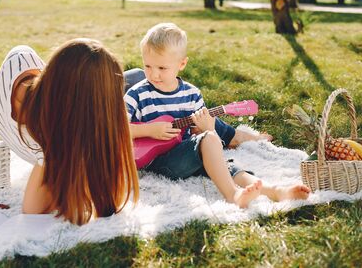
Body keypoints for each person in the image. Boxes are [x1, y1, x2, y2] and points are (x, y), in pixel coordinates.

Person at [125, 23, 310, 208]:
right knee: (211, 143)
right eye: (147, 66)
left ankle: (275, 191)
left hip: (187, 152)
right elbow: (113, 129)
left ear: (182, 64)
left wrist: (207, 130)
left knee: (224, 162)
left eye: (162, 68)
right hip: (158, 161)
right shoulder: (137, 94)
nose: (153, 74)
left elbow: (200, 135)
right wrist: (149, 129)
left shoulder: (191, 94)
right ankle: (233, 195)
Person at [0, 38, 139, 225]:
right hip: (34, 107)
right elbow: (32, 211)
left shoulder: (87, 119)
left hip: (60, 98)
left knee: (135, 76)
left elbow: (108, 196)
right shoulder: (39, 120)